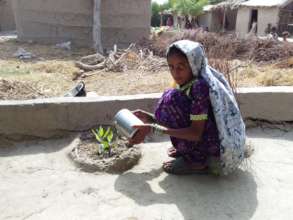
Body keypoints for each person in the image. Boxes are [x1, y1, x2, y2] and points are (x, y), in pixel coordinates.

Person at [129, 40, 246, 176]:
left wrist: (152, 128)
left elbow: (195, 133)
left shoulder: (199, 87)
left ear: (193, 64)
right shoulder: (186, 83)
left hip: (212, 144)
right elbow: (177, 118)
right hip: (202, 137)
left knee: (172, 98)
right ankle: (188, 150)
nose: (175, 73)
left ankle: (196, 161)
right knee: (170, 96)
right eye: (171, 67)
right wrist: (148, 118)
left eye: (181, 67)